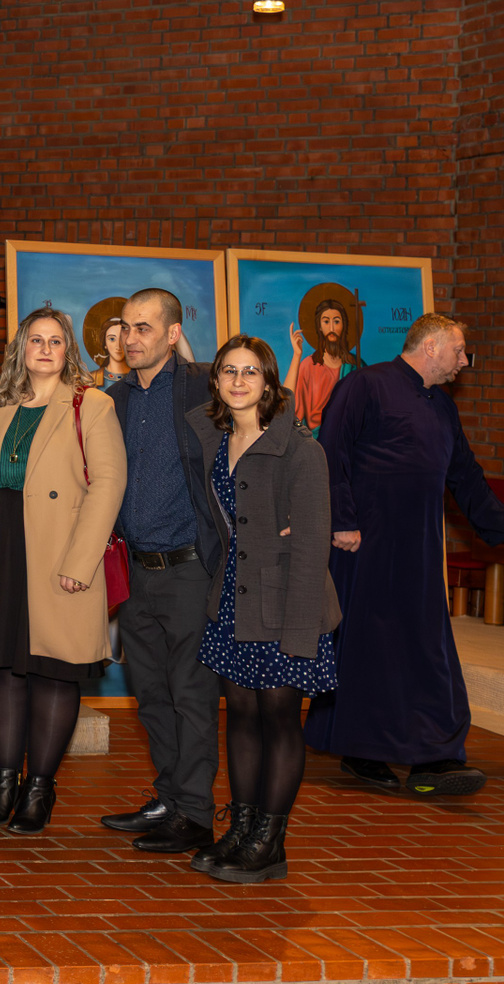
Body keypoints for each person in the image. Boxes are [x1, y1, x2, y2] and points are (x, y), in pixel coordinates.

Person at [305, 313, 504, 796]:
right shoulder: (365, 385)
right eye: (459, 350)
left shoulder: (442, 405)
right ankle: (363, 750)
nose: (464, 361)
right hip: (364, 545)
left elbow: (466, 476)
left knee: (427, 648)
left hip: (419, 550)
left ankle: (434, 755)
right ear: (431, 346)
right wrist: (342, 519)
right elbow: (330, 450)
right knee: (368, 650)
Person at [0, 307, 125, 835]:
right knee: (3, 671)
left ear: (68, 349)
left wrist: (81, 561)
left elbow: (108, 485)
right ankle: (4, 784)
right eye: (37, 339)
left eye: (56, 341)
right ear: (21, 348)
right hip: (0, 548)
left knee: (54, 669)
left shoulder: (92, 404)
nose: (46, 349)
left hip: (61, 553)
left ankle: (39, 790)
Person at [185, 337, 338, 883]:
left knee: (279, 719)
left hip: (285, 603)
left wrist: (300, 633)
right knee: (242, 717)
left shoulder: (300, 449)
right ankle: (242, 828)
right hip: (234, 599)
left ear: (270, 382)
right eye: (229, 371)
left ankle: (270, 843)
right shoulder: (216, 439)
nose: (239, 381)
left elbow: (312, 546)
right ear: (216, 380)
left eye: (251, 372)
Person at [97, 288, 222, 854]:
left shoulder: (204, 387)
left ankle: (195, 812)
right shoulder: (113, 400)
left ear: (173, 334)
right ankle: (170, 798)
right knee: (150, 694)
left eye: (144, 327)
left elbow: (270, 417)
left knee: (191, 695)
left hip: (190, 570)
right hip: (136, 572)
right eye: (126, 327)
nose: (131, 338)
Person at [285, 299, 362, 433]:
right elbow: (288, 407)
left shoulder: (355, 366)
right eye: (326, 322)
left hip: (347, 436)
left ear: (343, 325)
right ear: (319, 327)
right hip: (316, 439)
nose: (332, 328)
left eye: (336, 322)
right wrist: (297, 355)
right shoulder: (308, 366)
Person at [94, 318, 133, 387]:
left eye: (122, 339)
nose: (118, 346)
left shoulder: (141, 378)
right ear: (105, 344)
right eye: (112, 339)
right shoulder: (92, 378)